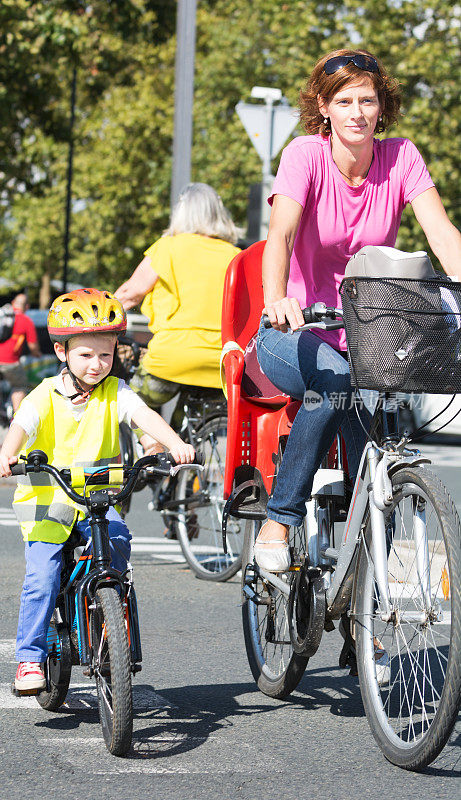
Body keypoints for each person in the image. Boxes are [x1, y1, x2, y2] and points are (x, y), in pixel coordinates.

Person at [254, 49, 461, 681]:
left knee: (384, 427)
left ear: (382, 104)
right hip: (295, 332)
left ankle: (363, 594)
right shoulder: (303, 156)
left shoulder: (402, 157)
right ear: (323, 107)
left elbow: (441, 230)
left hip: (369, 331)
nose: (357, 111)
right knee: (335, 385)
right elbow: (282, 235)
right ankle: (280, 521)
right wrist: (277, 298)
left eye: (367, 99)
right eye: (343, 100)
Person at [0, 288, 195, 694]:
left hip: (97, 499)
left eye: (106, 354)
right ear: (62, 352)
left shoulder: (115, 391)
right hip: (47, 501)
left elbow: (144, 415)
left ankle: (108, 619)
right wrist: (5, 457)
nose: (97, 364)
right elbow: (21, 426)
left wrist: (173, 443)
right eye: (85, 355)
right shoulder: (43, 394)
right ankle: (29, 657)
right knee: (43, 577)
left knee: (116, 541)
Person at [114, 182, 241, 445]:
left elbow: (130, 294)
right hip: (220, 365)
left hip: (172, 359)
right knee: (191, 423)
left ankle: (153, 445)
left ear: (181, 213)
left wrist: (97, 320)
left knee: (126, 402)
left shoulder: (167, 247)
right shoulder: (235, 256)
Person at [0, 292, 42, 412]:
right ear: (27, 307)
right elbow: (33, 346)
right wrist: (37, 354)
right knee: (19, 385)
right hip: (8, 362)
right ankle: (17, 417)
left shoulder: (0, 315)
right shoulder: (26, 321)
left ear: (13, 303)